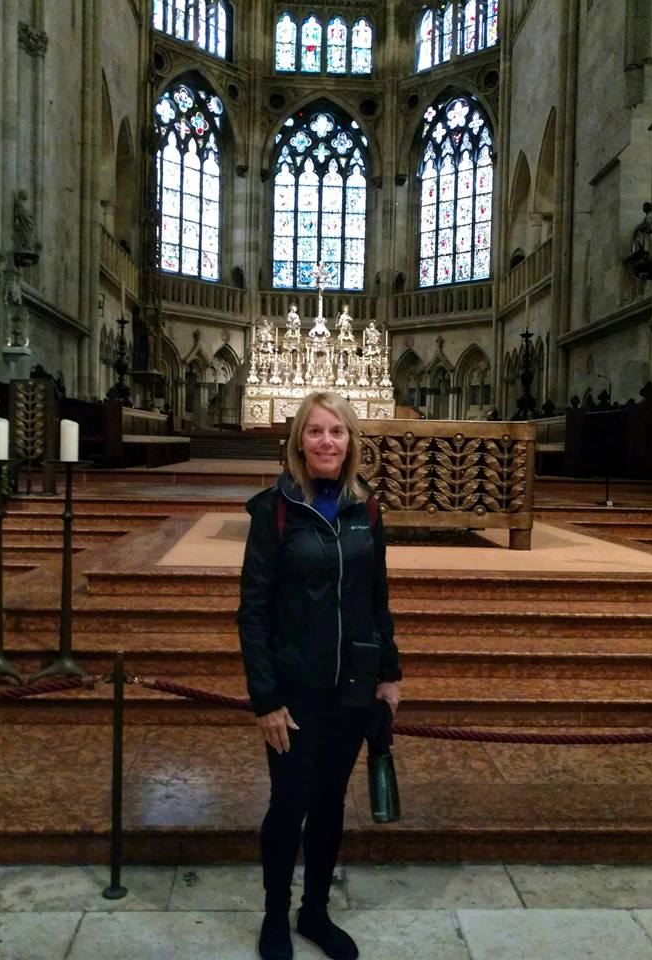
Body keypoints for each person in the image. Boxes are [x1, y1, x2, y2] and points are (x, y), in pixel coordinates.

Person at [238, 391, 402, 960]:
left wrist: (389, 673)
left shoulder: (367, 508)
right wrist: (265, 698)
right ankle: (275, 916)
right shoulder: (274, 510)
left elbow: (376, 597)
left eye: (337, 431)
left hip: (353, 683)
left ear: (351, 441)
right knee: (289, 803)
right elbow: (253, 610)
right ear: (298, 442)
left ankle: (314, 912)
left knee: (330, 802)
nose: (327, 442)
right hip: (294, 686)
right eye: (315, 432)